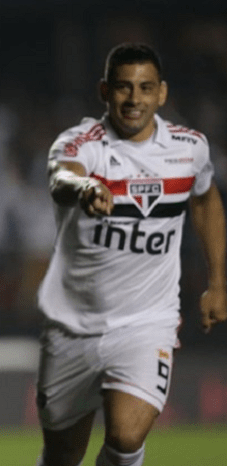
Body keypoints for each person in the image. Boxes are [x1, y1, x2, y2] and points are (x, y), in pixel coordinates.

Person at [33, 42, 227, 466]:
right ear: (105, 92)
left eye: (145, 88)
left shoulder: (187, 148)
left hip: (146, 322)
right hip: (72, 323)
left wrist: (218, 284)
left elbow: (205, 201)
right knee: (63, 455)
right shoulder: (82, 143)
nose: (134, 99)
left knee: (125, 434)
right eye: (123, 88)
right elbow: (61, 176)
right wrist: (85, 188)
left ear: (162, 93)